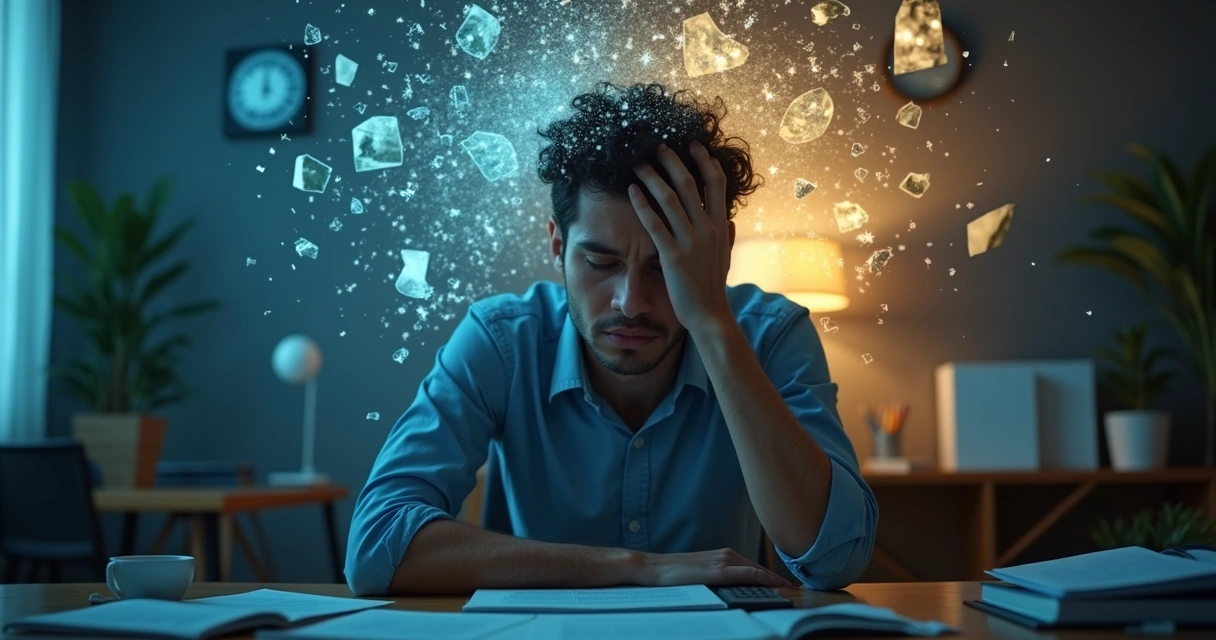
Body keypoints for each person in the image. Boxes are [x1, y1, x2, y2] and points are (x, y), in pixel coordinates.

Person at [345, 82, 877, 596]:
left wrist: (712, 321)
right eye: (601, 262)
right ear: (557, 244)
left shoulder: (772, 334)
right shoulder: (501, 340)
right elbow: (375, 549)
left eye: (665, 266)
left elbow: (833, 559)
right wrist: (639, 568)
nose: (630, 301)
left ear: (717, 252)